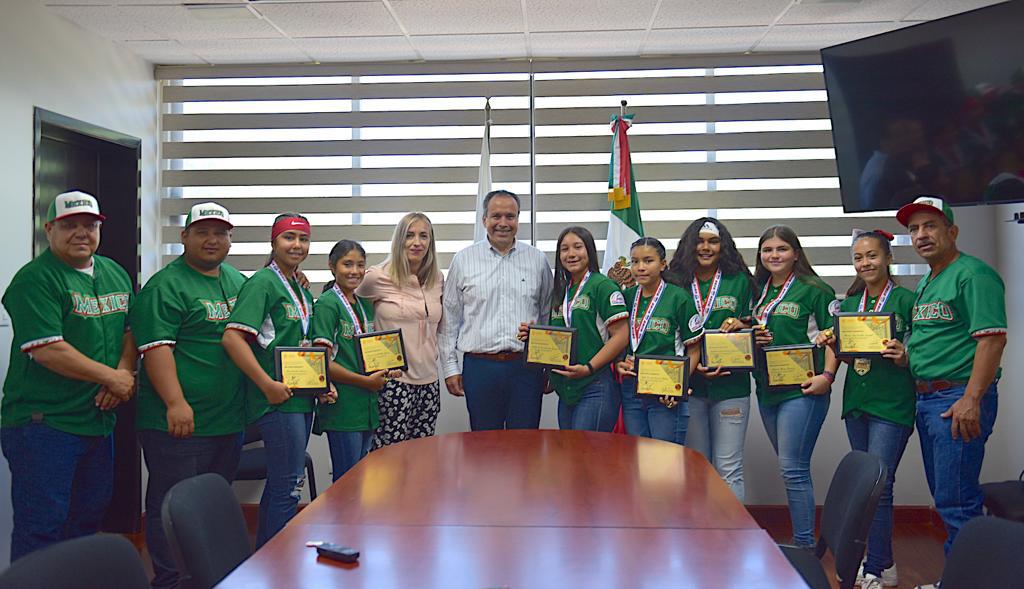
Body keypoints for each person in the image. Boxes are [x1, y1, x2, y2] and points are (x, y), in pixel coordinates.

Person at [1, 191, 136, 562]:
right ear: (49, 229)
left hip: (96, 420)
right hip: (44, 426)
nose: (81, 233)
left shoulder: (113, 272)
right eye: (69, 225)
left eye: (89, 225)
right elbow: (47, 349)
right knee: (42, 527)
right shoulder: (35, 279)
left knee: (87, 522)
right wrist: (112, 377)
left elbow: (130, 331)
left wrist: (121, 374)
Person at [890, 196, 1006, 589]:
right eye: (914, 229)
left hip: (956, 399)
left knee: (958, 503)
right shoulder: (929, 279)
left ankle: (964, 582)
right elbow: (938, 339)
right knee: (948, 499)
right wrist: (906, 356)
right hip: (929, 399)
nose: (921, 235)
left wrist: (971, 399)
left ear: (952, 232)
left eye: (930, 226)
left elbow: (991, 341)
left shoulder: (973, 274)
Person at [129, 202, 246, 588]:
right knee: (171, 506)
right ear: (184, 237)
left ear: (230, 238)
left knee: (210, 504)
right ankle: (170, 580)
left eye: (221, 232)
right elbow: (156, 349)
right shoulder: (166, 285)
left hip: (226, 420)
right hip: (178, 423)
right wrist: (176, 403)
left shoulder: (236, 280)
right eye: (202, 232)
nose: (212, 240)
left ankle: (208, 576)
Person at [222, 212, 335, 547]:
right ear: (274, 242)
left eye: (303, 239)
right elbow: (232, 339)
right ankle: (276, 560)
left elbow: (298, 342)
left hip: (301, 396)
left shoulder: (298, 286)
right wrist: (266, 385)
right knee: (289, 483)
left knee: (285, 482)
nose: (296, 245)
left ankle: (268, 559)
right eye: (289, 238)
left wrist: (322, 382)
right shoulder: (262, 283)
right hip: (276, 399)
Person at [817, 229, 916, 589]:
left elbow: (920, 351)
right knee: (866, 487)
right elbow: (844, 352)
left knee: (880, 486)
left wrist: (905, 357)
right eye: (859, 258)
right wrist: (832, 343)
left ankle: (874, 567)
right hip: (857, 401)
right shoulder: (848, 305)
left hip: (892, 402)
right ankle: (883, 563)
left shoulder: (907, 300)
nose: (865, 263)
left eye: (872, 256)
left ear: (888, 258)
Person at [753, 225, 839, 549]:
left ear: (796, 253)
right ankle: (803, 541)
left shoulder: (815, 289)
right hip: (767, 390)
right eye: (767, 250)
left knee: (793, 469)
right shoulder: (759, 290)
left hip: (802, 390)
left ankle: (804, 546)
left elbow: (835, 338)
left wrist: (827, 378)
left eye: (781, 249)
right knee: (790, 468)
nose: (774, 255)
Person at [439, 190, 552, 430]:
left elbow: (547, 316)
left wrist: (549, 365)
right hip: (480, 369)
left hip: (526, 369)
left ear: (518, 219)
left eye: (510, 216)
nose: (503, 223)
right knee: (484, 448)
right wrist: (450, 368)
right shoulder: (463, 260)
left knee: (525, 446)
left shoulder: (537, 260)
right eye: (496, 216)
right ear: (484, 220)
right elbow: (449, 319)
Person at [668, 218, 755, 501]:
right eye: (700, 241)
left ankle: (733, 540)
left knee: (728, 467)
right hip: (691, 385)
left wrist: (744, 325)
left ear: (723, 246)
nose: (705, 247)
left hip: (732, 386)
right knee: (697, 466)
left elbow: (757, 324)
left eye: (713, 241)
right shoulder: (675, 281)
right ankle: (701, 539)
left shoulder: (740, 280)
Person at [519, 226, 628, 432]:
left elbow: (621, 336)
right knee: (570, 457)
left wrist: (589, 367)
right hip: (566, 389)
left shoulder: (603, 286)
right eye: (564, 249)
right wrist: (533, 336)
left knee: (587, 457)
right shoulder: (561, 291)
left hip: (595, 384)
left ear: (589, 250)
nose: (571, 254)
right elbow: (560, 336)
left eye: (578, 247)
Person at [311, 240, 398, 481]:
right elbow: (322, 362)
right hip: (343, 408)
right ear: (332, 266)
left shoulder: (363, 305)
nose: (355, 271)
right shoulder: (328, 304)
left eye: (360, 265)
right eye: (347, 264)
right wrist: (364, 382)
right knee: (346, 481)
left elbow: (367, 353)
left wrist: (387, 369)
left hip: (367, 406)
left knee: (362, 480)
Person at [356, 212, 444, 448]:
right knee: (389, 461)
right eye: (410, 235)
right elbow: (342, 300)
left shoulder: (437, 278)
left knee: (421, 458)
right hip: (393, 383)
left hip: (429, 382)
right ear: (399, 240)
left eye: (423, 236)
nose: (417, 242)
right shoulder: (378, 276)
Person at [615, 237, 701, 443]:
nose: (640, 267)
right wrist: (619, 363)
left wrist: (676, 385)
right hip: (632, 389)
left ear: (663, 264)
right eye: (634, 262)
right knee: (638, 458)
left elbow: (694, 349)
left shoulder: (679, 298)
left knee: (665, 463)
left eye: (648, 261)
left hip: (665, 391)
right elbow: (621, 340)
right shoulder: (626, 298)